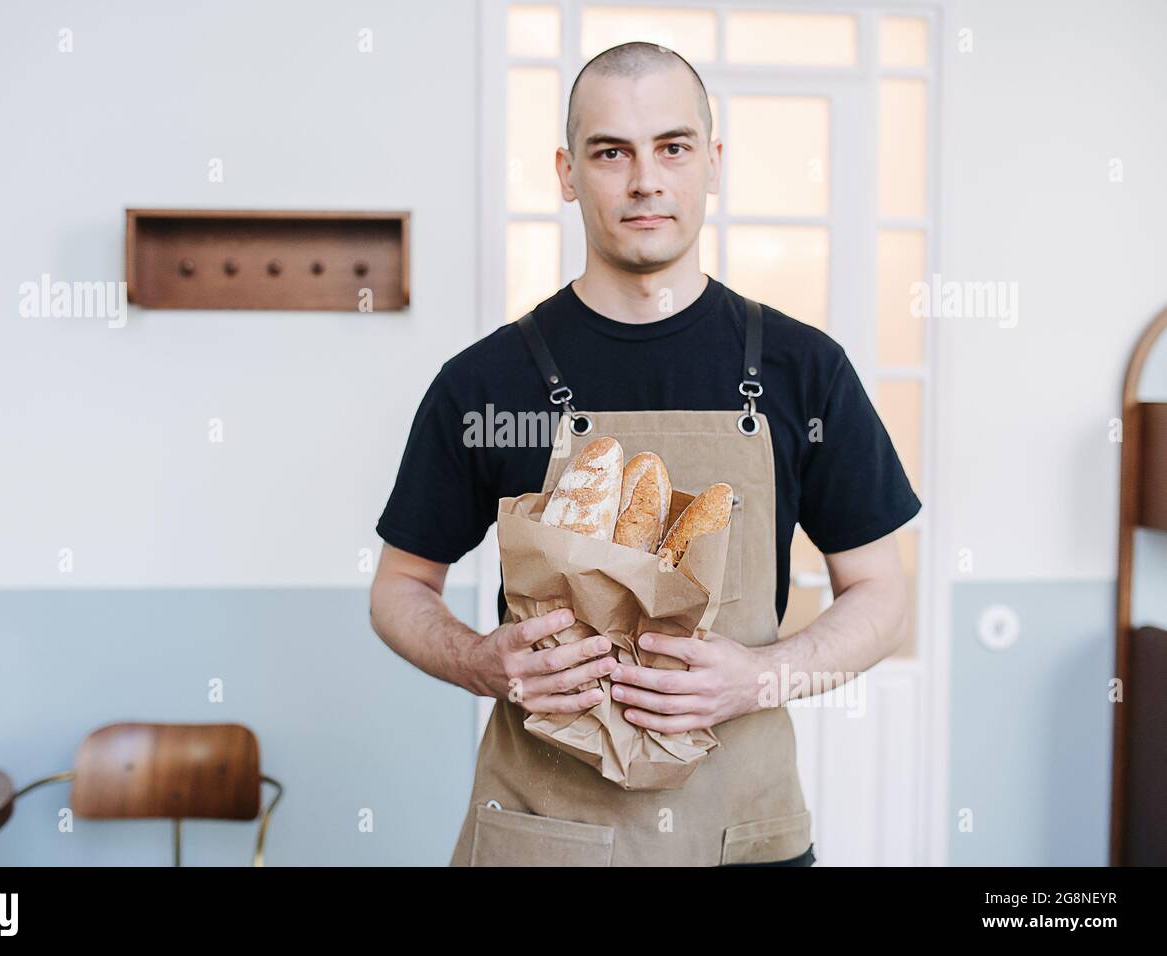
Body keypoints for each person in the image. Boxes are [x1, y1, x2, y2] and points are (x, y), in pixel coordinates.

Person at [370, 41, 921, 867]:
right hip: (544, 832)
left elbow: (881, 593)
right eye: (610, 152)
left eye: (673, 147)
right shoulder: (483, 382)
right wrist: (484, 663)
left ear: (713, 163)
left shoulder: (804, 372)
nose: (645, 180)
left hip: (745, 835)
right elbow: (399, 588)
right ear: (566, 172)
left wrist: (760, 678)